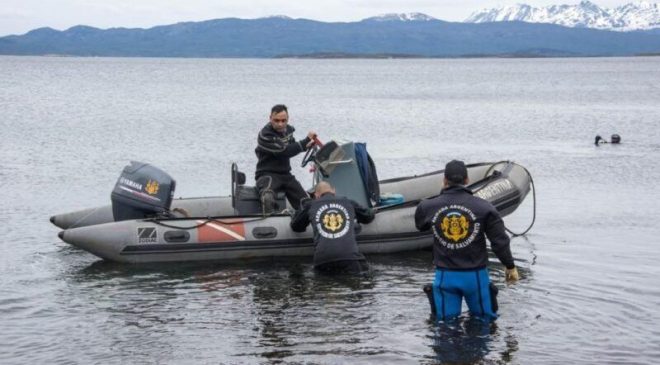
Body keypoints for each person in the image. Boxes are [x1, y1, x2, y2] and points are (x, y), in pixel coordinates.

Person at [415, 160, 519, 322]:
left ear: (444, 180)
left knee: (445, 325)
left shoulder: (427, 206)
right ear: (467, 180)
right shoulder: (485, 207)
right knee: (485, 322)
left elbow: (420, 225)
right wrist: (510, 266)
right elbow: (499, 241)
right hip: (475, 277)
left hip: (445, 276)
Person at [290, 181, 375, 274]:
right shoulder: (348, 202)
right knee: (368, 275)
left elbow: (296, 227)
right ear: (333, 191)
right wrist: (373, 211)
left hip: (322, 261)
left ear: (316, 195)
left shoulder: (310, 205)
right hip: (349, 258)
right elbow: (368, 217)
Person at [255, 104, 317, 214]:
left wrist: (308, 145)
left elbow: (292, 147)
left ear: (287, 119)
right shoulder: (265, 135)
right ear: (270, 118)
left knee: (306, 202)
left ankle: (304, 221)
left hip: (286, 174)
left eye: (284, 120)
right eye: (277, 120)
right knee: (267, 197)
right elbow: (284, 151)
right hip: (267, 173)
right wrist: (304, 142)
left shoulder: (288, 131)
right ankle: (268, 222)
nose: (280, 124)